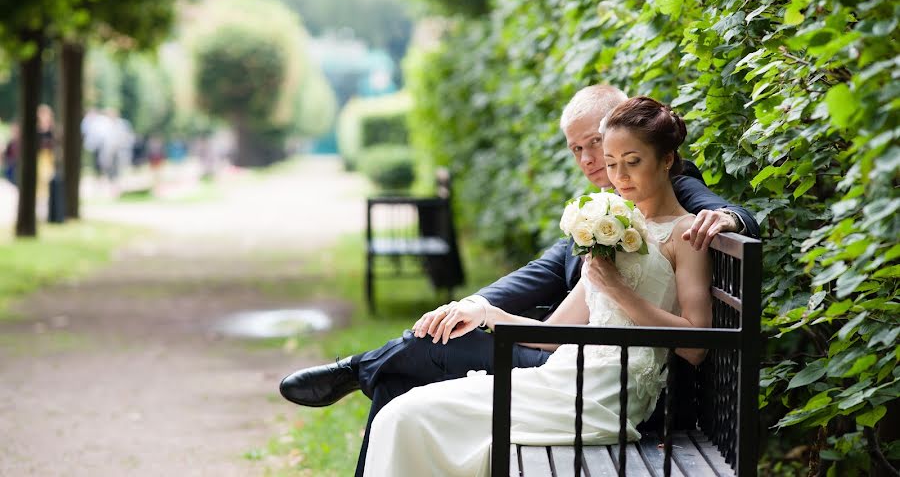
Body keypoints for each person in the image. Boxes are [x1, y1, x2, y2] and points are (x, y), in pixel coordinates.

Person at [279, 84, 760, 476]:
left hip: (610, 399)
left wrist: (725, 224)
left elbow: (697, 341)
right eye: (596, 156)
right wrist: (487, 312)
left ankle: (360, 367)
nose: (608, 169)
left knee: (411, 400)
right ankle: (370, 369)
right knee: (400, 407)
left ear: (663, 157)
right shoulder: (610, 218)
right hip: (563, 374)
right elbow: (557, 319)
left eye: (621, 158)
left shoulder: (683, 219)